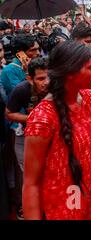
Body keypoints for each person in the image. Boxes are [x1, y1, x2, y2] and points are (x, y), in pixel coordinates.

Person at [23, 41, 91, 219]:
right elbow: (31, 184)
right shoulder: (43, 119)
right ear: (71, 73)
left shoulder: (88, 98)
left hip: (88, 197)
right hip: (61, 207)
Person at [5, 57, 49, 220]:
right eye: (41, 79)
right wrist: (32, 118)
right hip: (24, 135)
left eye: (48, 76)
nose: (46, 82)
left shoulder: (55, 86)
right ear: (29, 78)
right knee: (26, 174)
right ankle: (25, 206)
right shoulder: (21, 89)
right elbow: (9, 114)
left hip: (48, 136)